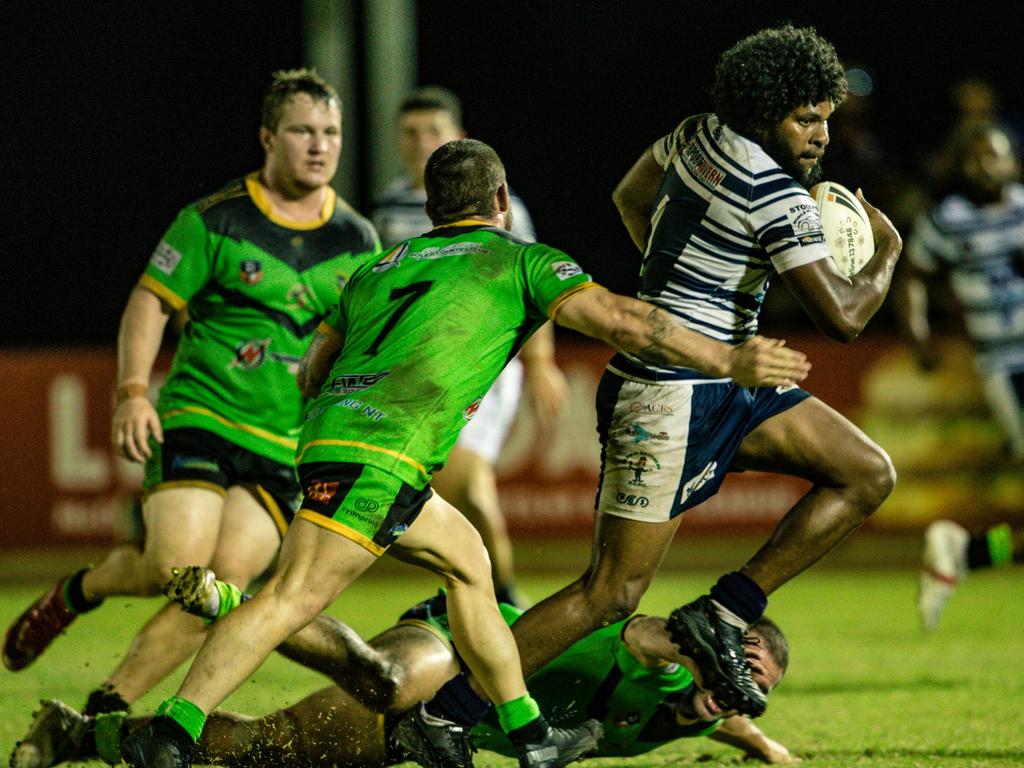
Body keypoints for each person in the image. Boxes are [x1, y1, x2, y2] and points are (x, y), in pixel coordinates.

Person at [118, 138, 811, 768]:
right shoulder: (519, 259)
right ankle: (174, 732)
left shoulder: (382, 263)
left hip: (343, 441)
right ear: (502, 201)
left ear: (430, 207)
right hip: (383, 454)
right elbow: (628, 320)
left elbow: (315, 365)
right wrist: (727, 357)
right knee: (292, 597)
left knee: (471, 566)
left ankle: (530, 735)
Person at [407, 26, 901, 736]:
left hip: (722, 380)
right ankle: (446, 714)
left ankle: (726, 610)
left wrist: (674, 286)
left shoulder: (694, 137)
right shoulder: (778, 199)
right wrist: (887, 251)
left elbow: (629, 195)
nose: (822, 134)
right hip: (667, 396)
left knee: (865, 472)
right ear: (764, 115)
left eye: (826, 116)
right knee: (609, 594)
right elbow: (846, 318)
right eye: (805, 118)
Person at [2, 69, 380, 718]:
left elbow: (368, 343)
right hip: (202, 418)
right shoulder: (216, 220)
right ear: (267, 137)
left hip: (285, 447)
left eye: (331, 132)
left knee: (218, 590)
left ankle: (100, 711)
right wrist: (131, 393)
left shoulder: (358, 241)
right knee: (172, 569)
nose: (319, 145)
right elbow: (150, 302)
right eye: (301, 131)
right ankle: (78, 592)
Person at [11, 576, 797, 768]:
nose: (739, 690)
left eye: (755, 687)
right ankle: (243, 604)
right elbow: (652, 637)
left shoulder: (698, 711)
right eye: (741, 668)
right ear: (719, 652)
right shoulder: (664, 661)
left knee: (260, 751)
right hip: (454, 650)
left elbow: (724, 717)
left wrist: (765, 744)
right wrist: (698, 653)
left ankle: (79, 734)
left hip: (437, 737)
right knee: (386, 680)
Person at [373, 85, 565, 607]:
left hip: (489, 366)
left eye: (432, 131)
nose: (420, 143)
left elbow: (534, 281)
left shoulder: (503, 206)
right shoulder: (388, 209)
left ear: (456, 137)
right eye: (410, 133)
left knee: (465, 480)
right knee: (463, 492)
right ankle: (496, 597)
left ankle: (494, 596)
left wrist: (542, 363)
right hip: (422, 371)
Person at [897, 121, 1024, 461]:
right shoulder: (948, 219)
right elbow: (912, 276)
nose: (984, 167)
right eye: (974, 159)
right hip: (997, 358)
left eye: (994, 157)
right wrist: (918, 335)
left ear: (1013, 162)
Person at [918, 520, 1024, 631]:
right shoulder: (1000, 540)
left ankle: (929, 612)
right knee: (945, 574)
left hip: (952, 550)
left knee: (945, 584)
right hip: (944, 534)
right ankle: (928, 608)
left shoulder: (1002, 555)